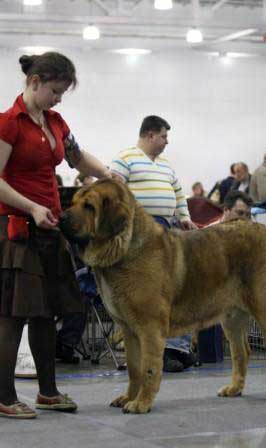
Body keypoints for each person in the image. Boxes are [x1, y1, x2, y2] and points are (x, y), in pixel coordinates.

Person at [0, 51, 111, 419]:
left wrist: (110, 174)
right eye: (55, 91)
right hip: (17, 230)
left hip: (49, 229)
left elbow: (77, 159)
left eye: (62, 92)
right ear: (34, 83)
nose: (59, 98)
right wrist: (30, 206)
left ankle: (48, 392)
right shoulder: (8, 124)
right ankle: (4, 396)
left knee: (46, 314)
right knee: (12, 317)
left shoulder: (56, 122)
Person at [111, 115, 196, 372]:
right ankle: (145, 353)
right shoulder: (124, 158)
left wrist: (185, 217)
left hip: (167, 231)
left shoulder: (167, 165)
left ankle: (176, 349)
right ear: (150, 135)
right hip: (140, 236)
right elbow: (114, 192)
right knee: (144, 295)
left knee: (171, 290)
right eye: (163, 137)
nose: (166, 142)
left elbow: (179, 194)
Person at [196, 190, 253, 364]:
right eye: (240, 213)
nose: (243, 219)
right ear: (226, 210)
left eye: (247, 215)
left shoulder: (249, 234)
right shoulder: (207, 233)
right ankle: (210, 359)